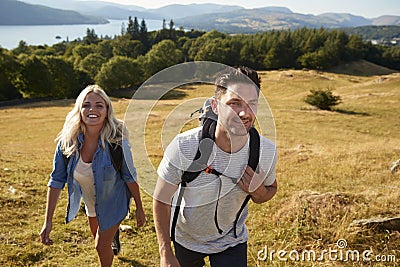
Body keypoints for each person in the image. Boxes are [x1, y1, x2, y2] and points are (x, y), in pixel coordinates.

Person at [153, 66, 278, 267]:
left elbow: (271, 190)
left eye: (252, 104)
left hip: (232, 241)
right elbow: (161, 198)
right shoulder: (185, 146)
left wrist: (259, 191)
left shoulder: (265, 151)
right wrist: (165, 252)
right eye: (234, 103)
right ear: (216, 106)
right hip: (185, 238)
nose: (245, 113)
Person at [40, 85, 146, 267]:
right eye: (86, 105)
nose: (92, 110)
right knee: (99, 237)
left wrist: (139, 208)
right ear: (79, 110)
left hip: (114, 201)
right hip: (91, 201)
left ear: (107, 111)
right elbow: (56, 181)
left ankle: (110, 238)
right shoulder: (68, 143)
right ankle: (113, 235)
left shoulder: (117, 143)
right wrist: (47, 221)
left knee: (100, 245)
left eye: (99, 105)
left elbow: (130, 177)